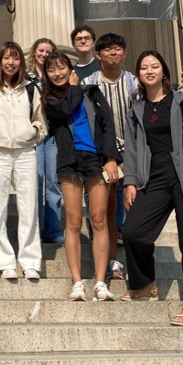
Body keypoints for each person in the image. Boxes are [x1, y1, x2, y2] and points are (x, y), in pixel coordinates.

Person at [122, 50, 183, 326]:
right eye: (143, 68)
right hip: (154, 177)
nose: (149, 71)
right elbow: (131, 148)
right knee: (133, 231)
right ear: (138, 75)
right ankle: (145, 284)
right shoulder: (137, 110)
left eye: (154, 66)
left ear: (164, 71)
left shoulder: (182, 102)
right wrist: (130, 180)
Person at [42, 51, 120, 302]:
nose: (57, 73)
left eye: (62, 67)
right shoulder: (50, 100)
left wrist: (110, 158)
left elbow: (108, 126)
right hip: (69, 160)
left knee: (98, 220)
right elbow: (65, 112)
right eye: (51, 70)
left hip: (95, 160)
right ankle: (77, 281)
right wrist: (74, 87)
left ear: (70, 68)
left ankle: (100, 282)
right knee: (74, 222)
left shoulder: (93, 92)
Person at [0, 42, 47, 280]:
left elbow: (40, 119)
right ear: (0, 61)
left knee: (29, 208)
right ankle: (5, 262)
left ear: (21, 62)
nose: (11, 63)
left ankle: (30, 262)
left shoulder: (31, 89)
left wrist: (34, 132)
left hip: (26, 152)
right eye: (6, 58)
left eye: (15, 58)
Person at [83, 33, 140, 281]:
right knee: (102, 207)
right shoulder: (89, 82)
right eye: (107, 49)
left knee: (125, 204)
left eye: (118, 48)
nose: (113, 53)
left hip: (129, 150)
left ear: (124, 53)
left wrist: (131, 157)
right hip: (99, 152)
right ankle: (108, 261)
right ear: (98, 55)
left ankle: (119, 260)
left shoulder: (134, 83)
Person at [28, 38, 64, 244]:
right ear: (34, 52)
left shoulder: (56, 76)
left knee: (52, 182)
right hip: (33, 134)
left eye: (48, 51)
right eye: (40, 50)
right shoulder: (25, 76)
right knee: (35, 181)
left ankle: (53, 230)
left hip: (52, 134)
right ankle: (35, 231)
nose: (43, 54)